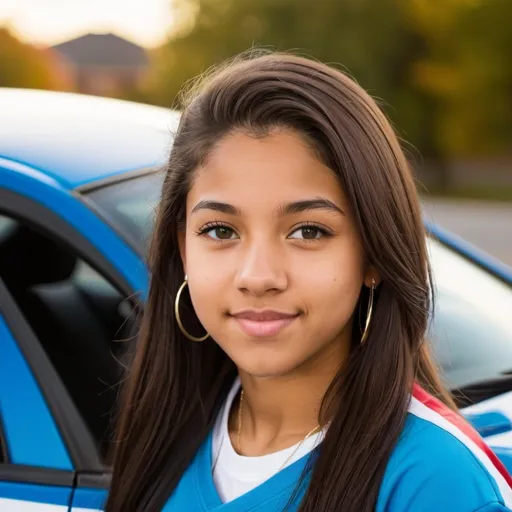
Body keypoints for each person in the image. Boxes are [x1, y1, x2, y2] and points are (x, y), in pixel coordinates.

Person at [106, 51, 512, 512]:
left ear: (374, 254)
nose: (258, 276)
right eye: (220, 231)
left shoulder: (436, 482)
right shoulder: (166, 430)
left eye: (308, 231)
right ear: (183, 248)